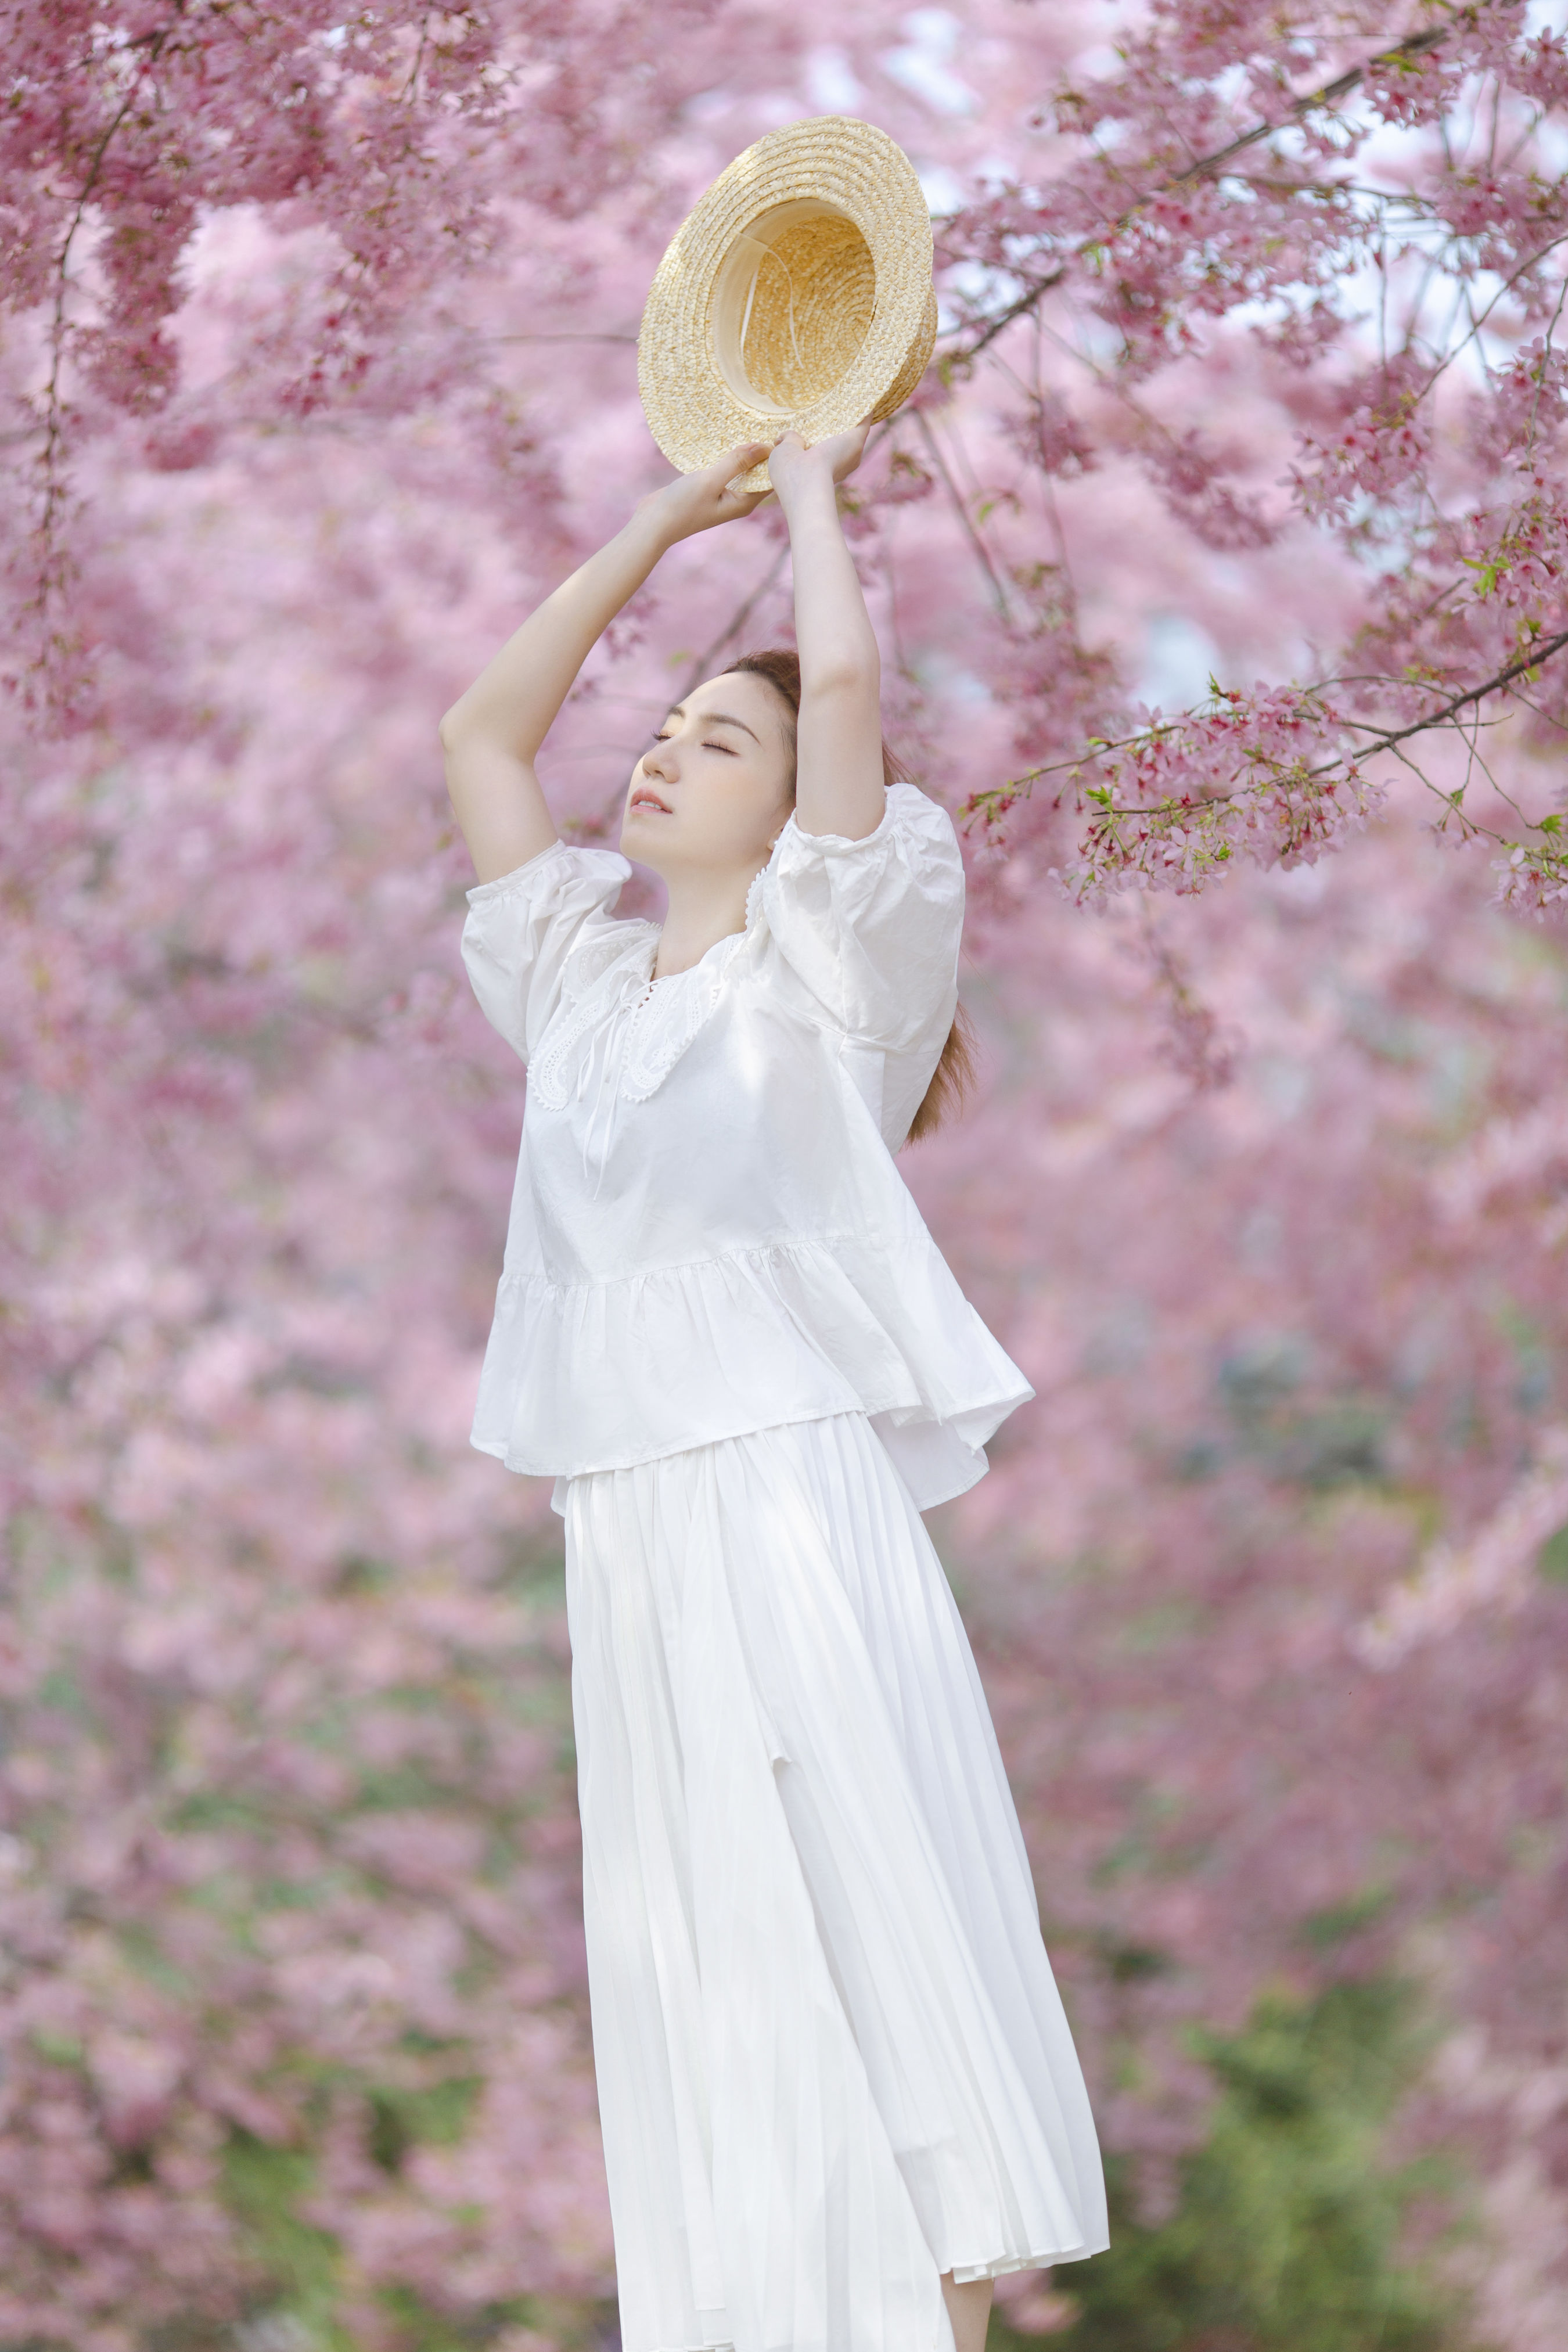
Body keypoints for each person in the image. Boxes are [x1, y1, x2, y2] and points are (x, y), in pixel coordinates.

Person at [440, 423, 1107, 2352]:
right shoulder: (573, 982)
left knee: (863, 1929)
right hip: (631, 1526)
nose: (658, 755)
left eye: (715, 742)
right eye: (663, 731)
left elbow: (850, 695)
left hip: (790, 1501)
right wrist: (660, 521)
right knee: (717, 1975)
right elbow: (484, 741)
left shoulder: (836, 974)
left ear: (801, 802)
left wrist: (814, 494)